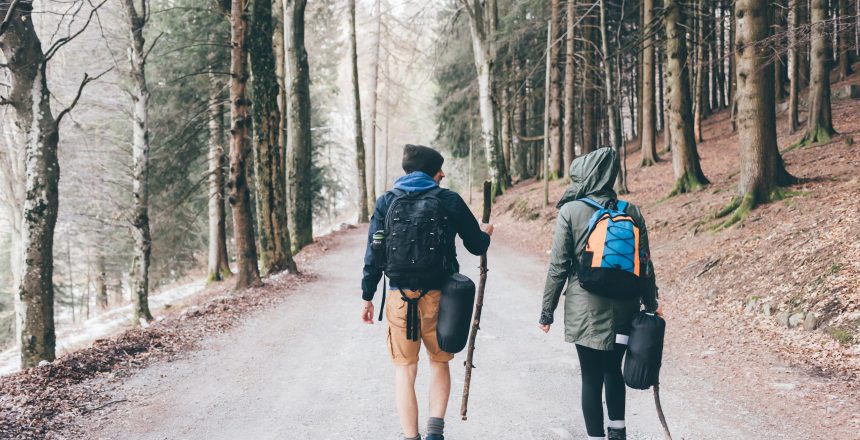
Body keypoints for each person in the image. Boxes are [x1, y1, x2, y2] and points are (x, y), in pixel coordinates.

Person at [361, 144, 493, 440]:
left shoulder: (385, 202)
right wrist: (486, 233)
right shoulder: (448, 199)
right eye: (439, 170)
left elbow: (373, 254)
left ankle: (411, 437)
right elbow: (477, 246)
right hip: (442, 298)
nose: (443, 174)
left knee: (405, 372)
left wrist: (367, 296)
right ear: (433, 172)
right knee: (439, 363)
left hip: (398, 298)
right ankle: (435, 434)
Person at [538, 148, 660, 440]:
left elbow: (558, 266)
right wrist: (651, 304)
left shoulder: (570, 211)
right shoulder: (631, 211)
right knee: (613, 371)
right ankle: (618, 433)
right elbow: (644, 263)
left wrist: (547, 310)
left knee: (591, 377)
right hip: (625, 309)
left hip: (585, 310)